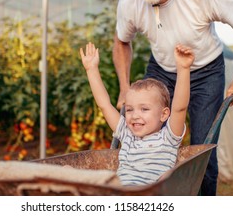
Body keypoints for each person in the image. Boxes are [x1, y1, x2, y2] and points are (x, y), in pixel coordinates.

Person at [106, 0, 233, 194]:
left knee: (202, 151)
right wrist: (124, 87)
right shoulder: (129, 3)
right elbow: (121, 42)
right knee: (140, 137)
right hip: (161, 68)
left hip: (206, 71)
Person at [80, 42, 194, 185]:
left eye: (144, 109)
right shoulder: (126, 134)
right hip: (119, 193)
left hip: (149, 195)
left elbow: (179, 108)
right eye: (129, 109)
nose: (134, 115)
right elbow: (104, 105)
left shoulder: (168, 138)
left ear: (164, 114)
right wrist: (91, 70)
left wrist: (183, 69)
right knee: (79, 176)